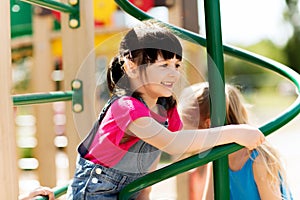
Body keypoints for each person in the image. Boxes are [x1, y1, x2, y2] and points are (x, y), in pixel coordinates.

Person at [66, 19, 265, 200]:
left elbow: (168, 148)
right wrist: (234, 133)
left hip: (127, 192)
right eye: (164, 65)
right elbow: (172, 144)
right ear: (131, 67)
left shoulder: (165, 108)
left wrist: (145, 192)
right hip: (93, 193)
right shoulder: (125, 108)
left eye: (177, 65)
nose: (173, 73)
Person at [178, 82, 293, 200]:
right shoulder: (216, 159)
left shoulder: (258, 161)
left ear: (208, 125)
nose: (187, 142)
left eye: (191, 134)